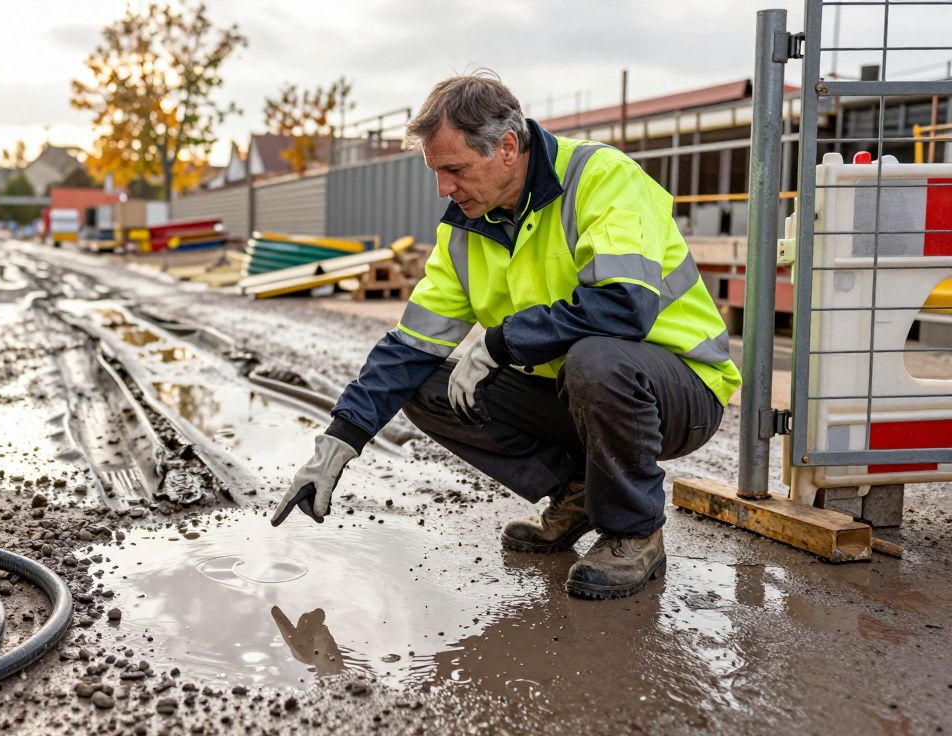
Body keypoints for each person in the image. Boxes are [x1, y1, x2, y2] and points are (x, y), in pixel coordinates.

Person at [271, 73, 741, 600]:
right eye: (436, 173)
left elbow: (624, 305)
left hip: (677, 391)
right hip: (578, 392)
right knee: (425, 383)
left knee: (597, 359)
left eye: (454, 169)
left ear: (508, 148)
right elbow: (407, 348)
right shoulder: (465, 230)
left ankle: (634, 532)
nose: (443, 189)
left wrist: (499, 342)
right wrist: (339, 440)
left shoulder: (603, 178)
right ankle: (580, 492)